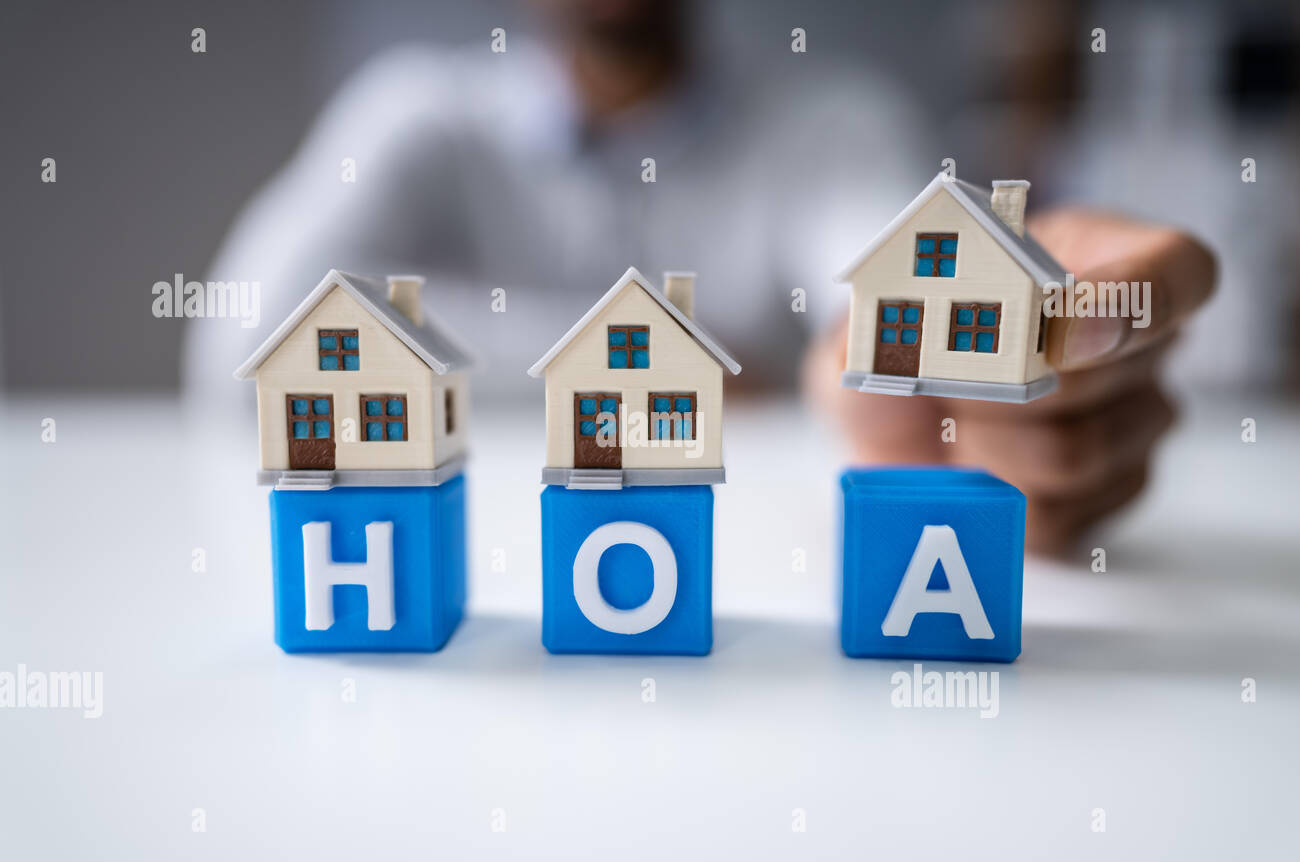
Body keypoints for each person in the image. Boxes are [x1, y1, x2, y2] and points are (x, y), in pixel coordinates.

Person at [188, 0, 1216, 555]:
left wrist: (1003, 329)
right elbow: (239, 350)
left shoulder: (829, 122)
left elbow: (874, 285)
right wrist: (678, 373)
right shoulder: (416, 113)